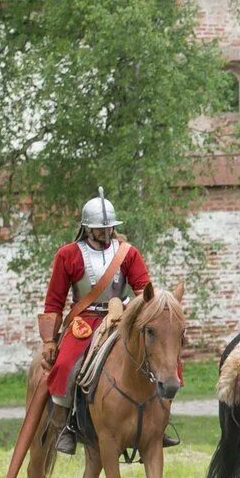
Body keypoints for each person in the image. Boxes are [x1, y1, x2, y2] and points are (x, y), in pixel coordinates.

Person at [39, 190, 154, 454]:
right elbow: (54, 300)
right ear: (87, 229)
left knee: (156, 357)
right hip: (85, 321)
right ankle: (64, 425)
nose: (105, 233)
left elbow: (144, 290)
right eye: (100, 229)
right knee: (66, 364)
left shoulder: (129, 253)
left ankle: (158, 420)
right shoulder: (67, 255)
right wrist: (48, 340)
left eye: (109, 228)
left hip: (123, 319)